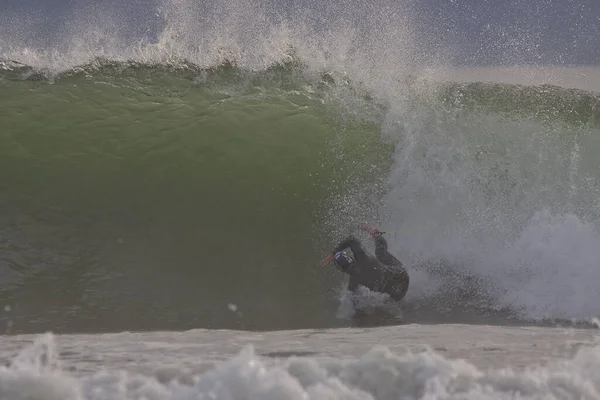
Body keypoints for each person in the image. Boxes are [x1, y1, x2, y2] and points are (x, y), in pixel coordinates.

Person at [319, 223, 409, 302]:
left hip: (399, 295)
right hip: (403, 274)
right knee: (380, 254)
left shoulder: (353, 282)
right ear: (351, 259)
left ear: (343, 270)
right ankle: (373, 232)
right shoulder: (363, 258)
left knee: (385, 302)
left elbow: (354, 301)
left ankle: (374, 232)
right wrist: (333, 253)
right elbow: (351, 239)